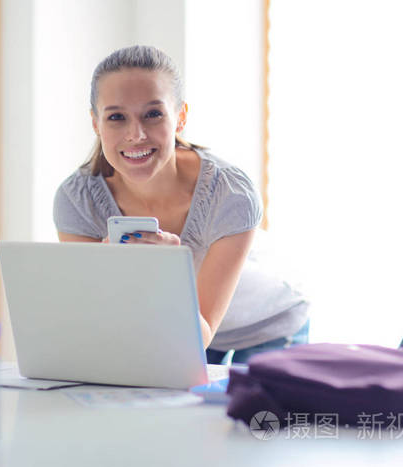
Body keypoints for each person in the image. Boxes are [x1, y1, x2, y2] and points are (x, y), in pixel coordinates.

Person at [53, 45, 308, 364]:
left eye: (153, 114)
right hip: (176, 327)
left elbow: (196, 338)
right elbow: (103, 323)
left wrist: (167, 274)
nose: (136, 134)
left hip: (263, 323)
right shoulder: (78, 200)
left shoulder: (230, 193)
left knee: (250, 413)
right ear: (95, 123)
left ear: (180, 117)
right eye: (116, 117)